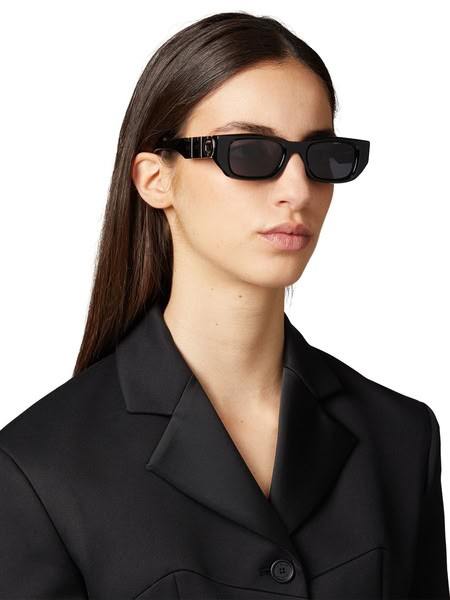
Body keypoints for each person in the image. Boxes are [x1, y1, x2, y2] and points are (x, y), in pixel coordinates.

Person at [0, 10, 448, 600]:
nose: (298, 191)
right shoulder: (38, 469)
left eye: (321, 156)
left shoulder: (401, 437)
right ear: (155, 179)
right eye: (251, 152)